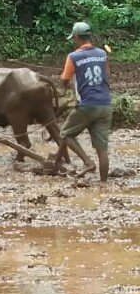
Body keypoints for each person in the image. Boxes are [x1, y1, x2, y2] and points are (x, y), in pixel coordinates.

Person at [55, 23, 112, 181]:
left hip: (87, 105)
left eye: (73, 38)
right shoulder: (102, 53)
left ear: (77, 37)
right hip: (105, 105)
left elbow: (65, 81)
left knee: (65, 134)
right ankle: (103, 185)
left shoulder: (73, 56)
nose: (73, 40)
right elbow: (107, 77)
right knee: (102, 149)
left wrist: (64, 92)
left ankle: (87, 162)